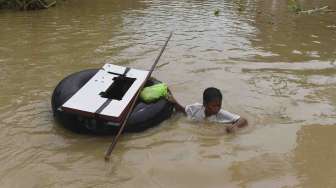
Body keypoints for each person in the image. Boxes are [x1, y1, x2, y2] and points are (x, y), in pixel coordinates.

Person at [168, 87, 248, 133]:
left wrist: (234, 126)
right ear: (204, 104)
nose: (217, 108)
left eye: (219, 105)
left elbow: (243, 120)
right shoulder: (196, 108)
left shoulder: (221, 113)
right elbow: (183, 110)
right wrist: (174, 102)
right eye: (213, 106)